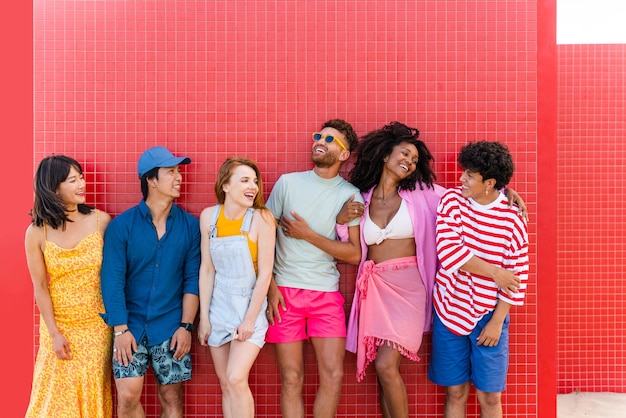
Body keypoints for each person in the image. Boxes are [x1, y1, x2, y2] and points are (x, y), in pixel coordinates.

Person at [334, 121, 444, 418]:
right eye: (404, 154)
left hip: (409, 287)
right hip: (375, 287)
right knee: (384, 371)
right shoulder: (362, 198)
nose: (409, 162)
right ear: (385, 155)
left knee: (385, 364)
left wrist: (503, 194)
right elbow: (348, 243)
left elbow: (466, 199)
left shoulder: (424, 193)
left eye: (414, 160)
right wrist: (343, 219)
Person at [265, 119, 363, 418]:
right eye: (319, 136)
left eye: (331, 140)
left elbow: (354, 254)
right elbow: (263, 238)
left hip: (325, 295)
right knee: (292, 378)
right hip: (284, 293)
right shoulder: (287, 183)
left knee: (333, 377)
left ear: (344, 155)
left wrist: (308, 234)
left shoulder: (350, 195)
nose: (320, 141)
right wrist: (270, 289)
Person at [428, 140, 529, 418]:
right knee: (455, 392)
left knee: (490, 396)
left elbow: (517, 275)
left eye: (470, 175)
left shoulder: (512, 219)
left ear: (489, 182)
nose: (461, 179)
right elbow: (450, 254)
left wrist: (497, 323)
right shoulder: (452, 202)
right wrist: (497, 272)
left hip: (489, 315)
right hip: (449, 311)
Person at [100, 146, 201, 418]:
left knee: (171, 398)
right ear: (151, 180)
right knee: (128, 395)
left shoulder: (191, 227)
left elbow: (193, 280)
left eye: (179, 171)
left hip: (170, 326)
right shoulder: (122, 226)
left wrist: (186, 327)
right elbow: (111, 279)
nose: (179, 177)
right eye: (171, 172)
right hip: (129, 326)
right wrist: (120, 330)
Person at [25, 155, 113, 417]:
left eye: (81, 177)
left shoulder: (101, 221)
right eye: (73, 180)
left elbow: (115, 274)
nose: (82, 184)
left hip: (96, 324)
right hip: (59, 324)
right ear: (53, 188)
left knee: (92, 386)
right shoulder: (36, 232)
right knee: (52, 391)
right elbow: (40, 286)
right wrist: (53, 333)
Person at [197, 157, 276, 417]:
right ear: (226, 186)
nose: (253, 186)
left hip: (248, 306)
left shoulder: (262, 218)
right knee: (225, 384)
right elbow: (207, 269)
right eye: (244, 180)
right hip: (219, 305)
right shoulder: (209, 216)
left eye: (254, 181)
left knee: (235, 378)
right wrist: (205, 318)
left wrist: (250, 320)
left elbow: (265, 274)